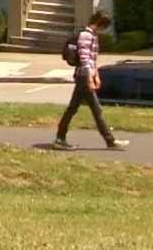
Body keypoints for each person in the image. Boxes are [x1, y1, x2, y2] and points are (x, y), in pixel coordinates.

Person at [54, 11, 129, 151]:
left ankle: (60, 138)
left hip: (85, 75)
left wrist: (97, 76)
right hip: (83, 76)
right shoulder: (86, 35)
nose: (102, 30)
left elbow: (92, 59)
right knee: (96, 110)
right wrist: (90, 79)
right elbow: (84, 59)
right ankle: (110, 141)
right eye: (103, 27)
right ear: (99, 23)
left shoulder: (92, 35)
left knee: (73, 109)